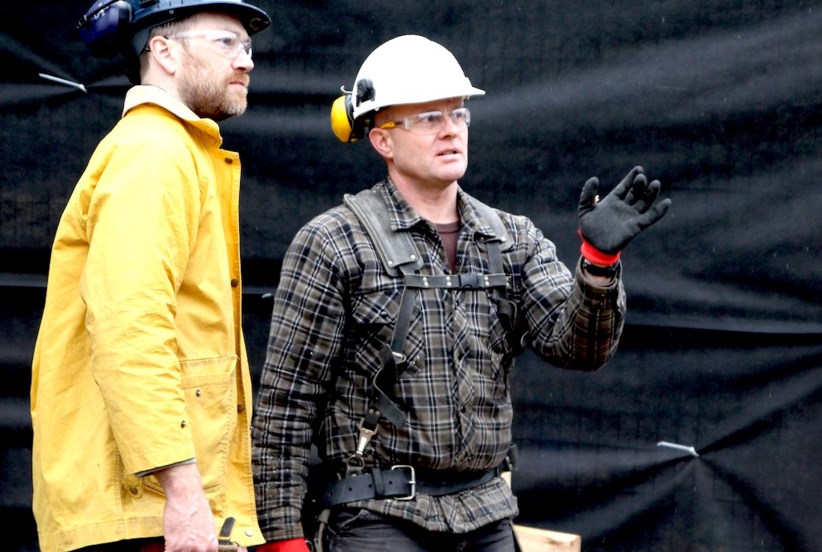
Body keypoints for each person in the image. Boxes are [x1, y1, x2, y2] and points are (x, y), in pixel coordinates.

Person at [251, 34, 672, 552]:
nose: (451, 130)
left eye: (459, 114)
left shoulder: (511, 238)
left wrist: (599, 265)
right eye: (429, 118)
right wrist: (282, 539)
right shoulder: (334, 242)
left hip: (485, 513)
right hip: (377, 516)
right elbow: (286, 406)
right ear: (382, 139)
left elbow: (579, 349)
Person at [30, 0, 271, 552]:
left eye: (247, 44)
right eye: (226, 40)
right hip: (145, 511)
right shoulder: (154, 154)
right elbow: (130, 327)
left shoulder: (178, 152)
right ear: (162, 51)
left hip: (155, 506)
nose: (246, 58)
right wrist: (186, 497)